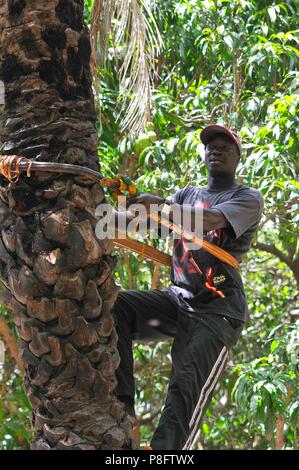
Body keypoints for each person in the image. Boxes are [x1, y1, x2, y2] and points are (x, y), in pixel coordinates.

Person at [112, 124, 264, 450]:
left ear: (238, 157)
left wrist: (163, 207)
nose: (216, 150)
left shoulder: (246, 198)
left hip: (217, 310)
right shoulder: (186, 195)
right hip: (177, 299)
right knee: (117, 306)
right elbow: (148, 222)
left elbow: (210, 221)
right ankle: (121, 410)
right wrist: (101, 217)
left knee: (185, 384)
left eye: (225, 146)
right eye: (211, 145)